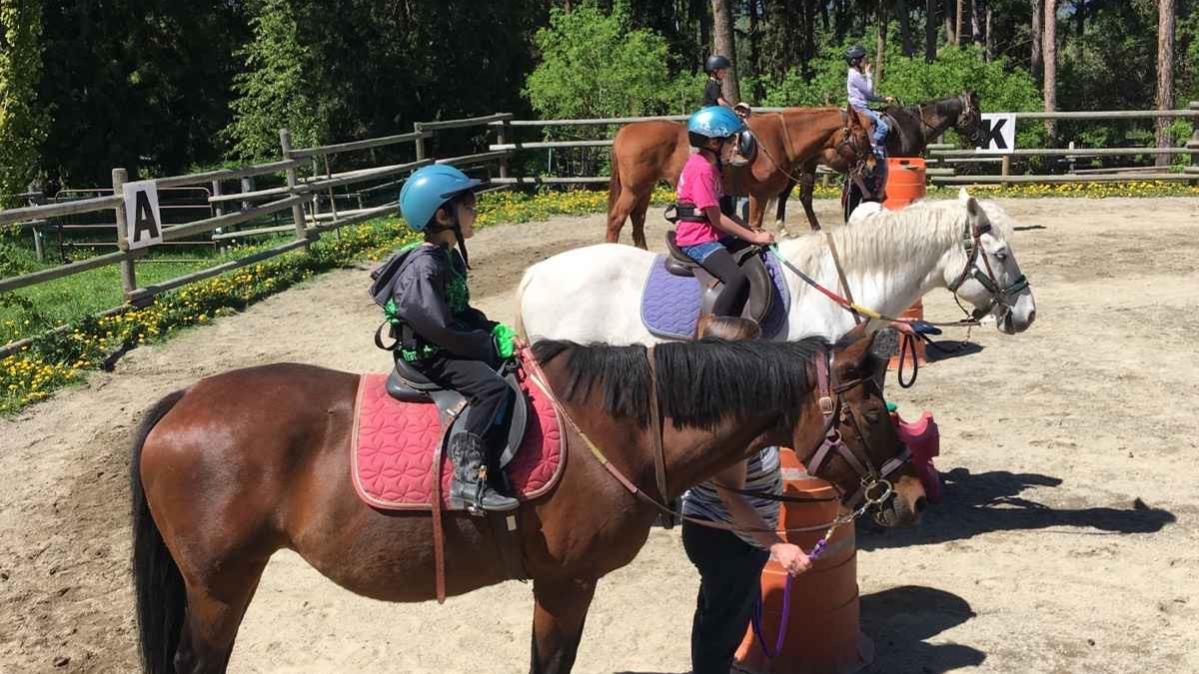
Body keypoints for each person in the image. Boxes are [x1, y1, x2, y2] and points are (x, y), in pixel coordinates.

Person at [369, 164, 519, 512]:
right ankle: (467, 478)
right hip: (430, 356)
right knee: (491, 388)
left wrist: (493, 329)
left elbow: (459, 312)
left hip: (443, 344)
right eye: (469, 207)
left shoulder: (444, 257)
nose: (475, 214)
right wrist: (486, 346)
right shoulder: (425, 266)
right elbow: (439, 326)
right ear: (442, 214)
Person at [682, 316, 812, 674]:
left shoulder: (725, 401)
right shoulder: (728, 423)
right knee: (723, 625)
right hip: (727, 537)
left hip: (727, 536)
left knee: (716, 611)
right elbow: (732, 496)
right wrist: (777, 545)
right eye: (757, 352)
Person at [674, 106, 774, 318]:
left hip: (713, 233)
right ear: (713, 143)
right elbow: (717, 218)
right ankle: (716, 329)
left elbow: (727, 210)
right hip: (697, 239)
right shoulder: (702, 170)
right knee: (736, 279)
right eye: (732, 141)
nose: (736, 148)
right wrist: (754, 237)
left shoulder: (712, 166)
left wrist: (752, 232)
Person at [845, 44, 895, 158]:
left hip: (861, 105)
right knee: (883, 127)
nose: (865, 60)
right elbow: (869, 91)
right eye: (862, 58)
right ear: (855, 61)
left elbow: (868, 96)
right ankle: (874, 149)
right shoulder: (855, 75)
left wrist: (883, 99)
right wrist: (868, 74)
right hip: (860, 108)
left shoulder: (855, 73)